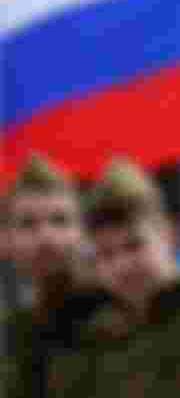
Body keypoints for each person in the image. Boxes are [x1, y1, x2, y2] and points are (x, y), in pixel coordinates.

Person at [71, 158, 180, 397]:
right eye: (106, 255)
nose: (122, 266)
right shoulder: (96, 342)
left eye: (134, 246)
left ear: (168, 234)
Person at [3, 154, 109, 398]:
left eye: (60, 220)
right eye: (28, 224)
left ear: (83, 233)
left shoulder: (118, 311)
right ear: (5, 239)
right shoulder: (14, 331)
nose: (46, 236)